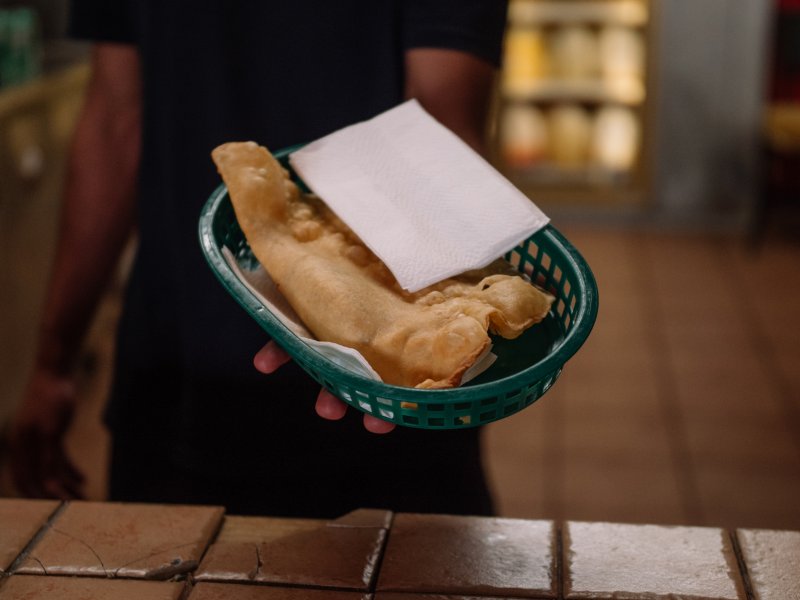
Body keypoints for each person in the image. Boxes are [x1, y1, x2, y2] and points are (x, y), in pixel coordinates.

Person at [9, 1, 509, 517]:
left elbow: (116, 122)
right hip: (363, 391)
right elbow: (441, 121)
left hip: (250, 380)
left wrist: (54, 362)